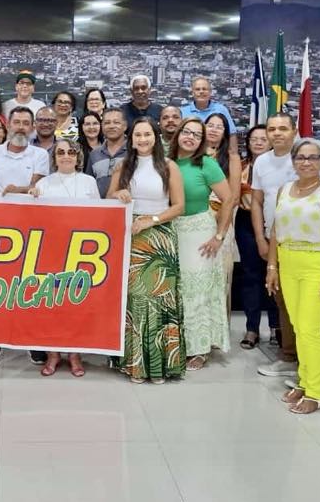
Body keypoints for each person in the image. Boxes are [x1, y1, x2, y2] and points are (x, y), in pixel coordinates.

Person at [265, 138, 320, 414]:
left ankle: (316, 392)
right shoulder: (285, 190)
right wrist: (272, 267)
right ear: (293, 161)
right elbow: (277, 230)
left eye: (313, 157)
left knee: (310, 329)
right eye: (301, 157)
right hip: (288, 263)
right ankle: (304, 381)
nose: (306, 162)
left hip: (318, 263)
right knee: (298, 327)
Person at [251, 112, 320, 378]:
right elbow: (256, 202)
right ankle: (290, 356)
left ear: (294, 130)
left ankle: (306, 365)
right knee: (283, 302)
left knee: (305, 311)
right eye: (272, 129)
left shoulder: (308, 157)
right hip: (276, 241)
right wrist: (261, 239)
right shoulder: (262, 162)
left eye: (283, 128)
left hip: (311, 246)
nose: (276, 133)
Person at [108, 117, 185, 384]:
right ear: (131, 139)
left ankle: (161, 364)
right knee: (136, 301)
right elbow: (108, 197)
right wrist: (119, 195)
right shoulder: (123, 166)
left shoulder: (169, 166)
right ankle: (135, 364)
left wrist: (150, 221)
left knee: (161, 300)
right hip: (131, 236)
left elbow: (178, 206)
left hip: (160, 237)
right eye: (138, 135)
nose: (142, 139)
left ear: (156, 137)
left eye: (147, 134)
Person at [0, 106, 50, 366]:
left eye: (25, 123)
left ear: (32, 128)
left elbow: (37, 187)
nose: (20, 127)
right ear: (8, 126)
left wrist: (18, 189)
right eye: (16, 122)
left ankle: (32, 342)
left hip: (32, 229)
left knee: (30, 286)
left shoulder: (40, 155)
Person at [29, 138, 99, 378]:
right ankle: (53, 353)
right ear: (54, 157)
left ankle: (75, 354)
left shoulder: (89, 182)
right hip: (52, 253)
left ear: (78, 156)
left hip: (82, 254)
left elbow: (101, 217)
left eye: (71, 152)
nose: (66, 156)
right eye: (60, 152)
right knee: (52, 305)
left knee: (77, 305)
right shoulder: (45, 184)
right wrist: (32, 198)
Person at [169, 117, 235, 370]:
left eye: (197, 135)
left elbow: (228, 199)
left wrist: (219, 236)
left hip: (200, 232)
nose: (190, 137)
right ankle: (180, 344)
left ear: (202, 141)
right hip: (173, 230)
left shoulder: (207, 164)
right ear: (178, 134)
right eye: (187, 132)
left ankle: (200, 347)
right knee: (178, 289)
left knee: (198, 290)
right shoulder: (167, 162)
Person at [236, 125, 278, 349]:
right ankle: (252, 328)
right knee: (251, 275)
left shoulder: (278, 168)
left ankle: (275, 327)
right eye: (254, 139)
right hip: (245, 225)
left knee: (273, 275)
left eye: (264, 139)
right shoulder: (242, 167)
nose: (259, 142)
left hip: (274, 224)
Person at [204, 113, 242, 314]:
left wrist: (218, 220)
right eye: (210, 125)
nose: (213, 129)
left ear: (225, 133)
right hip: (194, 220)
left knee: (220, 276)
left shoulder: (232, 158)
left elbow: (234, 197)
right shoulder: (192, 154)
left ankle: (218, 334)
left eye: (219, 127)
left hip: (221, 220)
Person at [87, 107, 128, 198]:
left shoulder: (134, 151)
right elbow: (88, 184)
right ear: (102, 126)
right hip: (100, 208)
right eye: (107, 123)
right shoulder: (94, 154)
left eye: (116, 122)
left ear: (125, 126)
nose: (111, 126)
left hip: (129, 207)